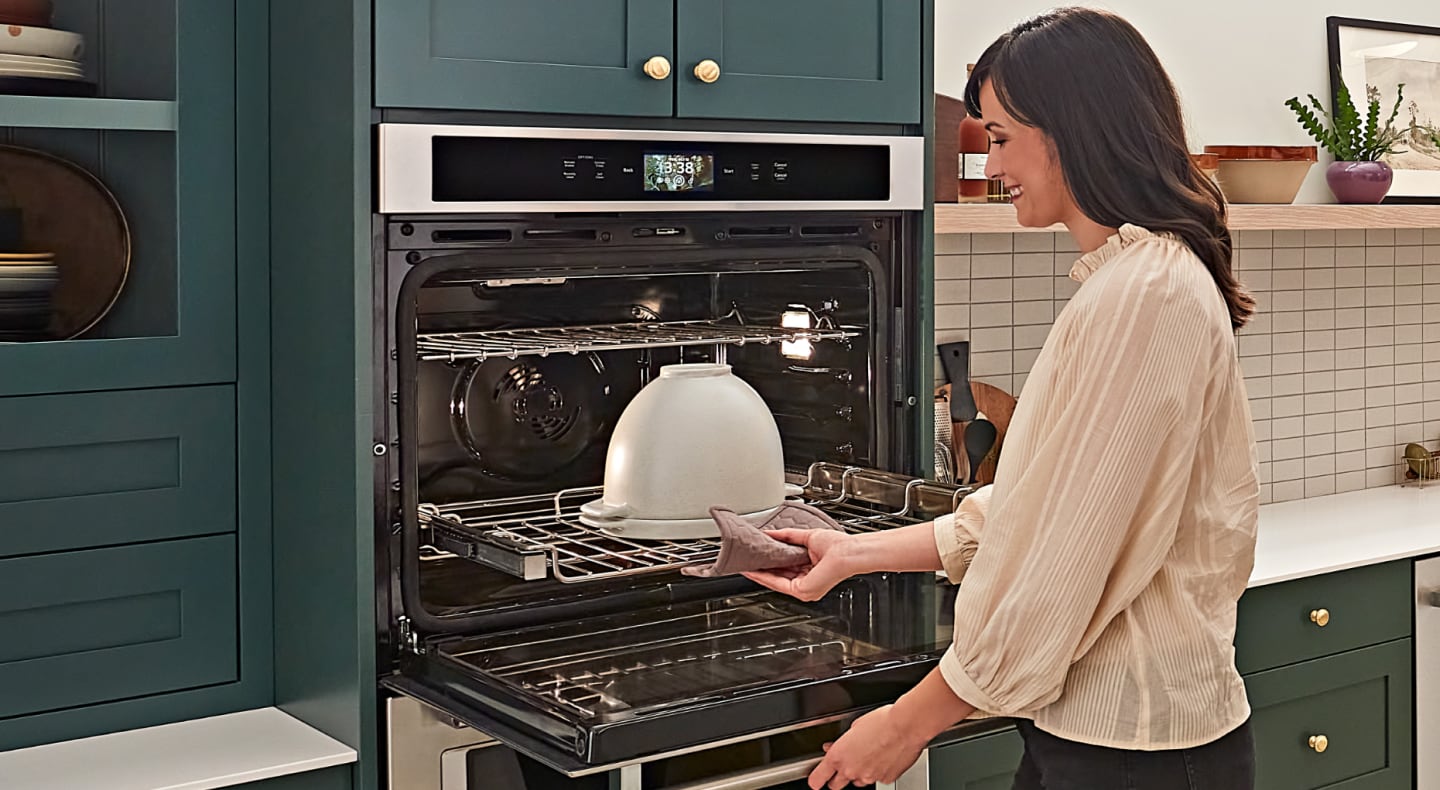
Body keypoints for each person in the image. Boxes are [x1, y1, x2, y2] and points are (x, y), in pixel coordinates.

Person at [744, 7, 1260, 790]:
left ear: (1073, 130)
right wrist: (855, 552)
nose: (990, 166)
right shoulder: (1131, 282)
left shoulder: (1146, 294)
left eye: (999, 138)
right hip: (1099, 736)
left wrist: (906, 722)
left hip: (1140, 750)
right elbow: (1039, 503)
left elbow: (1062, 556)